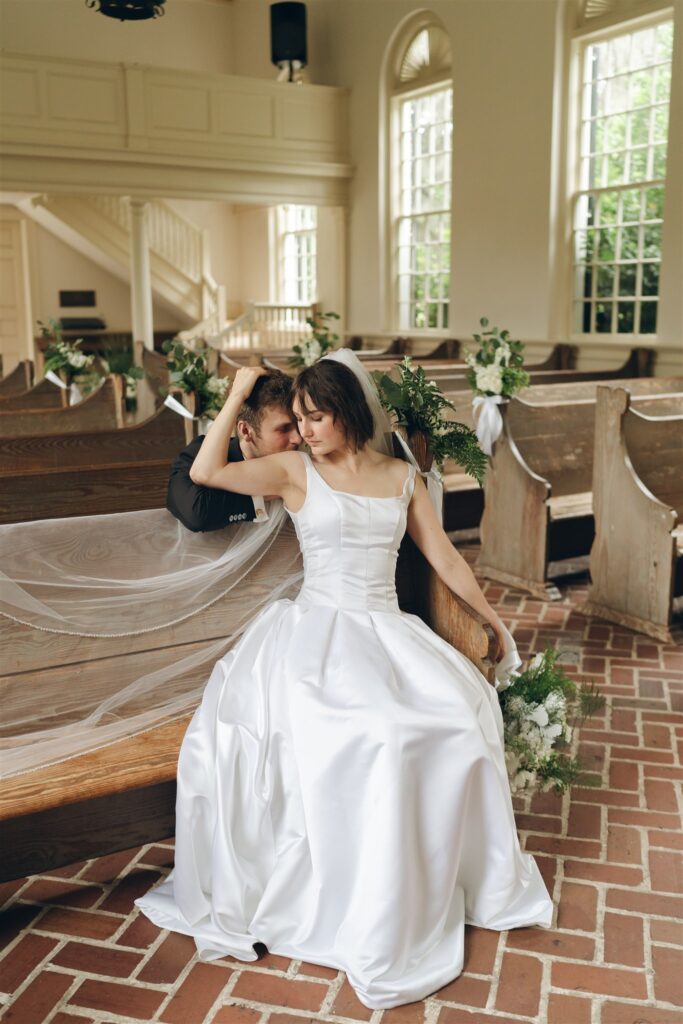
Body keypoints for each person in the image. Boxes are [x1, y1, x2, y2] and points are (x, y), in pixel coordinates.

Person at [135, 352, 553, 1010]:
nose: (303, 431)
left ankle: (440, 879)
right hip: (314, 641)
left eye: (315, 418)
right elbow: (206, 471)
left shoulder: (399, 475)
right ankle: (360, 894)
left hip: (387, 632)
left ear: (350, 414)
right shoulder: (295, 471)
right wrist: (241, 386)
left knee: (456, 719)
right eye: (297, 420)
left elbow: (441, 554)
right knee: (380, 735)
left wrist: (492, 621)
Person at [166, 368, 301, 531]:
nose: (298, 438)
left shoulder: (306, 459)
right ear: (245, 431)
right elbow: (197, 515)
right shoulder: (195, 456)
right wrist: (269, 491)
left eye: (299, 422)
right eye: (284, 429)